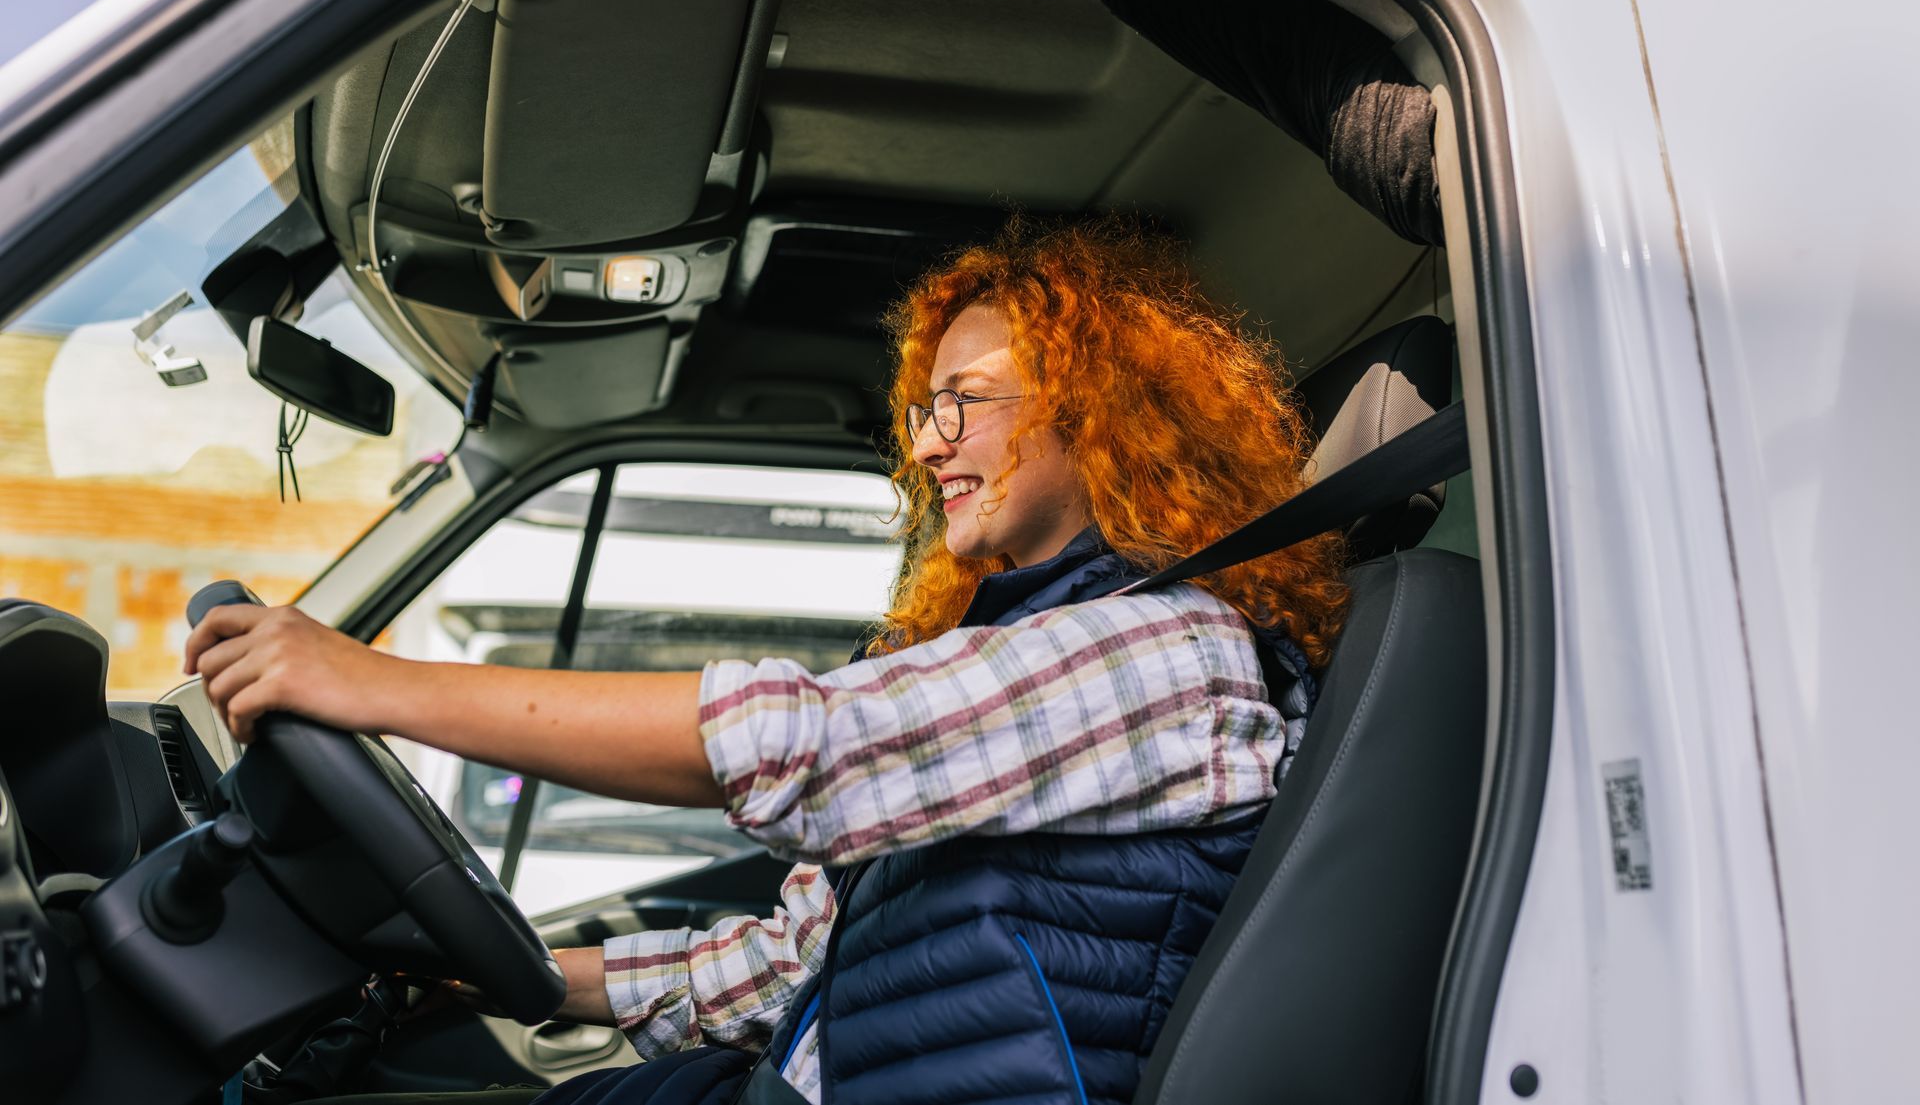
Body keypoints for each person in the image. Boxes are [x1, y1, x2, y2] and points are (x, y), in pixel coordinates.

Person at [183, 216, 1350, 1105]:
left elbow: (807, 744)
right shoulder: (1037, 642)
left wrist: (368, 683)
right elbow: (800, 957)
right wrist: (529, 976)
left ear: (1104, 414)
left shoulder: (1164, 652)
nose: (931, 442)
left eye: (970, 402)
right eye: (924, 408)